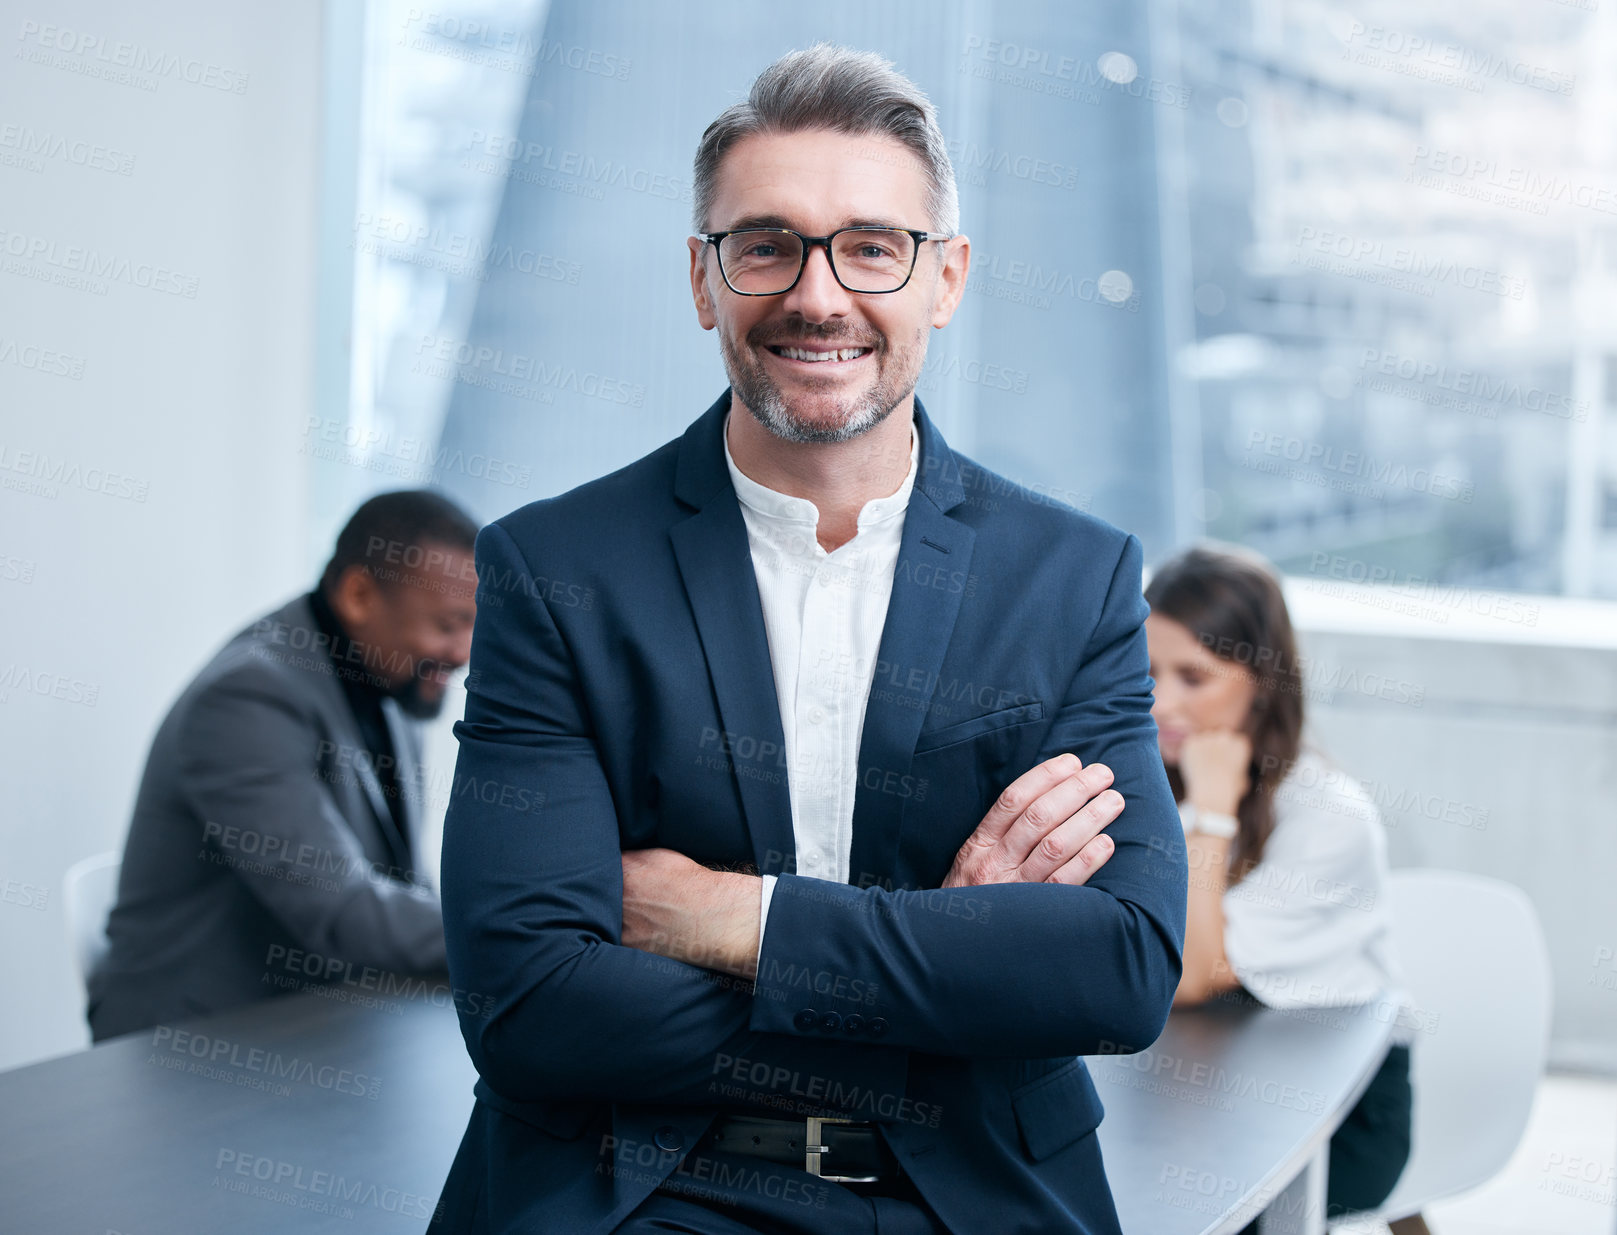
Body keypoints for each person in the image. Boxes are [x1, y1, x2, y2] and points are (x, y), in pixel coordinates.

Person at [431, 43, 1187, 1235]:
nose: (818, 295)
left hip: (972, 1194)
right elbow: (530, 1003)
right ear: (703, 280)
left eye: (872, 246)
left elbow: (1120, 970)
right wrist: (952, 958)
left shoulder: (1072, 576)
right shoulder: (556, 570)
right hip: (644, 1187)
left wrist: (743, 920)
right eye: (766, 243)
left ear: (945, 278)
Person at [87, 489, 478, 1041]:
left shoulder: (390, 682)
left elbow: (396, 887)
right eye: (446, 624)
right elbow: (345, 911)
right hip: (186, 1053)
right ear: (360, 595)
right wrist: (525, 932)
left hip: (320, 1029)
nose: (464, 652)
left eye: (472, 626)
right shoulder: (245, 699)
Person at [1144, 541, 1418, 1229]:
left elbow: (1190, 974)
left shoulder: (1328, 812)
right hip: (1203, 1072)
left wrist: (1209, 808)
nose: (1160, 703)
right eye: (1146, 673)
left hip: (1340, 1109)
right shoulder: (1157, 782)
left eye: (1191, 677)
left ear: (1261, 678)